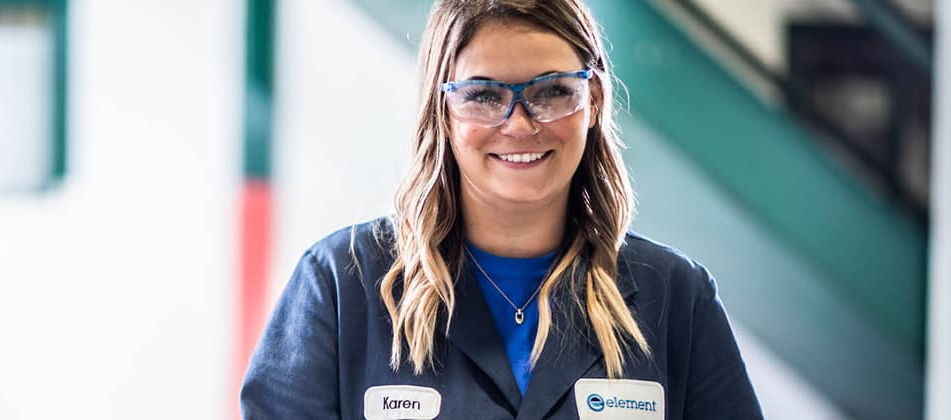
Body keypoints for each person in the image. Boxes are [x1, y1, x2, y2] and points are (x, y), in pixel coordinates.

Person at [239, 0, 765, 419]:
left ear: (594, 101)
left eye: (553, 91)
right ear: (442, 111)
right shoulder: (340, 284)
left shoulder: (674, 297)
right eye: (484, 96)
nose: (519, 123)